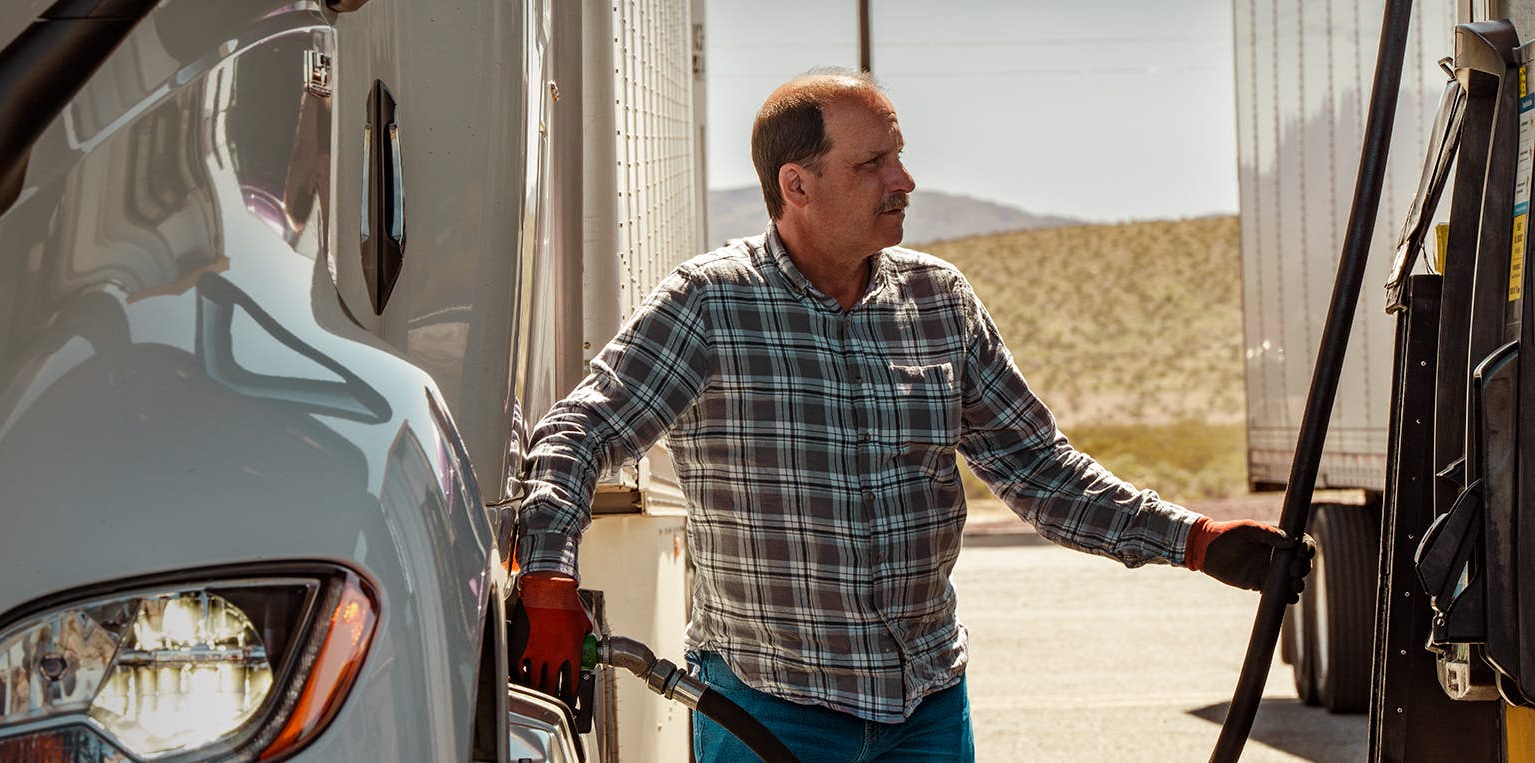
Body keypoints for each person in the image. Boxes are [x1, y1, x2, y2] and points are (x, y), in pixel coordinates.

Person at [508, 68, 1310, 762]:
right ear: (797, 185)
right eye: (873, 162)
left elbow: (1040, 471)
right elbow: (578, 431)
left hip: (925, 710)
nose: (905, 180)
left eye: (898, 154)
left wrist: (1196, 541)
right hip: (770, 709)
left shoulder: (938, 301)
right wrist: (548, 581)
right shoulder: (711, 305)